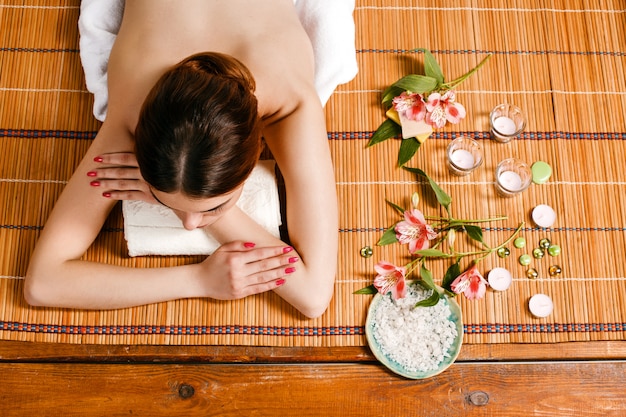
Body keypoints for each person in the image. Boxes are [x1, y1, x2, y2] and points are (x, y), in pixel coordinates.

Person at [24, 0, 338, 319]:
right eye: (164, 201)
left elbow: (313, 297)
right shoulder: (135, 109)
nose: (190, 224)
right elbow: (42, 283)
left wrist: (210, 213)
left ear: (258, 148)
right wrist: (197, 280)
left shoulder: (290, 99)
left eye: (214, 206)